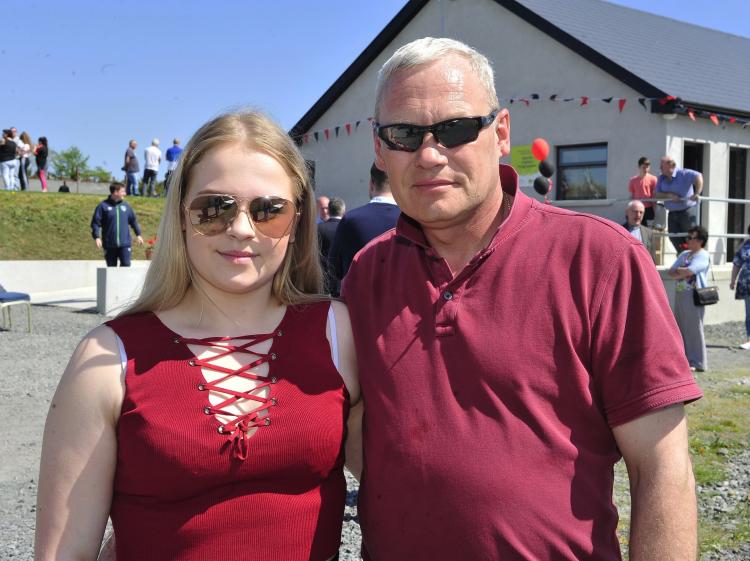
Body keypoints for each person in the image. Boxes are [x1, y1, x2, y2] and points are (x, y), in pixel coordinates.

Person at [342, 37, 702, 561]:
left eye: (455, 129)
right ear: (380, 149)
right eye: (404, 134)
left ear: (501, 133)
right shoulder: (366, 274)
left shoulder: (598, 258)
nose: (429, 154)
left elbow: (663, 465)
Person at [35, 110, 360, 561]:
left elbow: (409, 484)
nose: (241, 229)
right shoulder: (107, 358)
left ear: (297, 222)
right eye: (214, 208)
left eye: (269, 211)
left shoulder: (337, 332)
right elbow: (65, 552)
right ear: (182, 217)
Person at [329, 163, 399, 282]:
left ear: (371, 183)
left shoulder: (350, 220)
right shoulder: (412, 221)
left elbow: (334, 268)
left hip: (358, 292)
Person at [668, 226, 711, 371]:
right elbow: (671, 271)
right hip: (681, 293)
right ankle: (684, 359)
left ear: (700, 241)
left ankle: (698, 361)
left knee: (694, 328)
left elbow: (691, 270)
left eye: (691, 238)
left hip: (694, 295)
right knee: (680, 326)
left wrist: (681, 271)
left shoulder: (703, 255)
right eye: (688, 237)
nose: (688, 240)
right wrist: (682, 272)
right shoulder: (684, 254)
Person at [656, 156, 703, 252]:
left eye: (662, 165)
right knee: (673, 237)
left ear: (670, 165)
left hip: (687, 212)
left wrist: (697, 193)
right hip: (672, 213)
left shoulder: (683, 173)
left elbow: (698, 176)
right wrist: (669, 195)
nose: (660, 167)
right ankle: (683, 255)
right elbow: (657, 194)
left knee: (691, 237)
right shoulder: (661, 178)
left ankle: (694, 257)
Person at [90, 182, 144, 267]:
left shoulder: (126, 206)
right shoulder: (103, 206)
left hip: (125, 244)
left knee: (126, 265)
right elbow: (95, 223)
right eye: (122, 191)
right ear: (115, 192)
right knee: (111, 268)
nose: (125, 194)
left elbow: (133, 221)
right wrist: (97, 237)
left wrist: (138, 234)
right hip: (109, 244)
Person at [317, 196, 345, 296]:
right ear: (343, 211)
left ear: (329, 210)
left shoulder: (318, 228)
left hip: (323, 280)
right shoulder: (350, 227)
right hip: (344, 280)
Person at [730, 224, 750, 350]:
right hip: (746, 283)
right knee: (749, 312)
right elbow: (737, 263)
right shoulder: (745, 245)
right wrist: (733, 280)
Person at [628, 156, 657, 224]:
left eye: (647, 167)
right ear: (639, 167)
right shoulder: (633, 180)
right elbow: (632, 196)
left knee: (649, 228)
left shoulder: (653, 179)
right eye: (644, 167)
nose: (646, 169)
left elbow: (654, 196)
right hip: (637, 209)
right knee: (637, 227)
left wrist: (655, 211)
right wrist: (630, 210)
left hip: (649, 208)